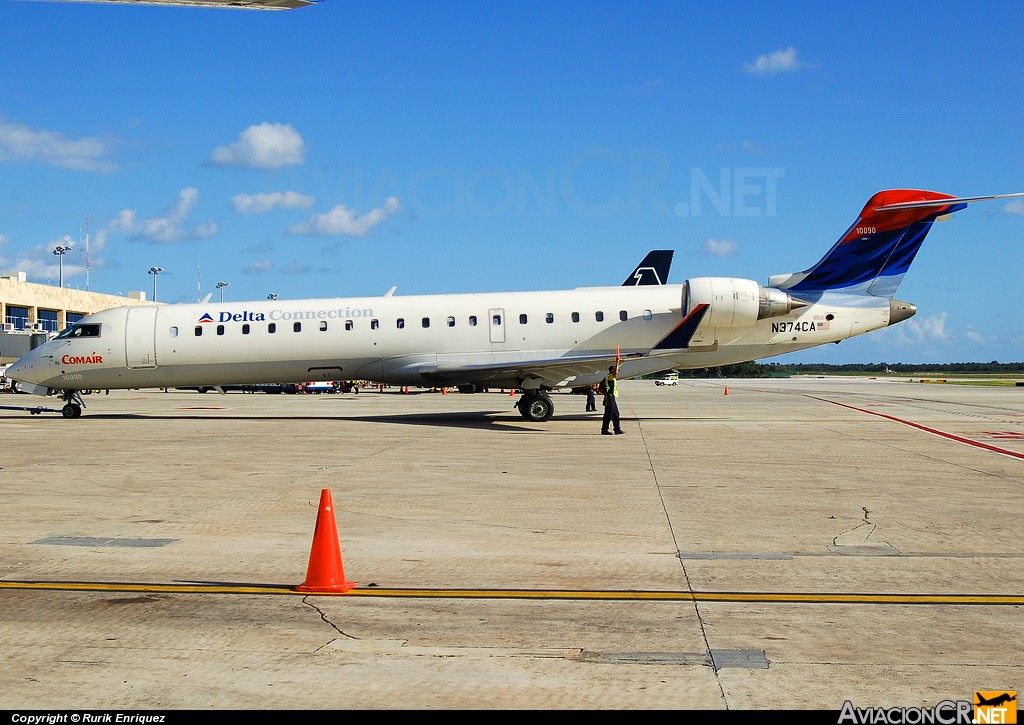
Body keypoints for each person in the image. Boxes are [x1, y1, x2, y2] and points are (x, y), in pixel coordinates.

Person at [601, 366, 624, 435]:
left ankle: (617, 429)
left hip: (612, 397)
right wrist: (617, 362)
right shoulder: (610, 376)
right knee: (608, 414)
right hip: (609, 397)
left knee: (616, 414)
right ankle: (604, 430)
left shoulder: (611, 377)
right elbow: (615, 373)